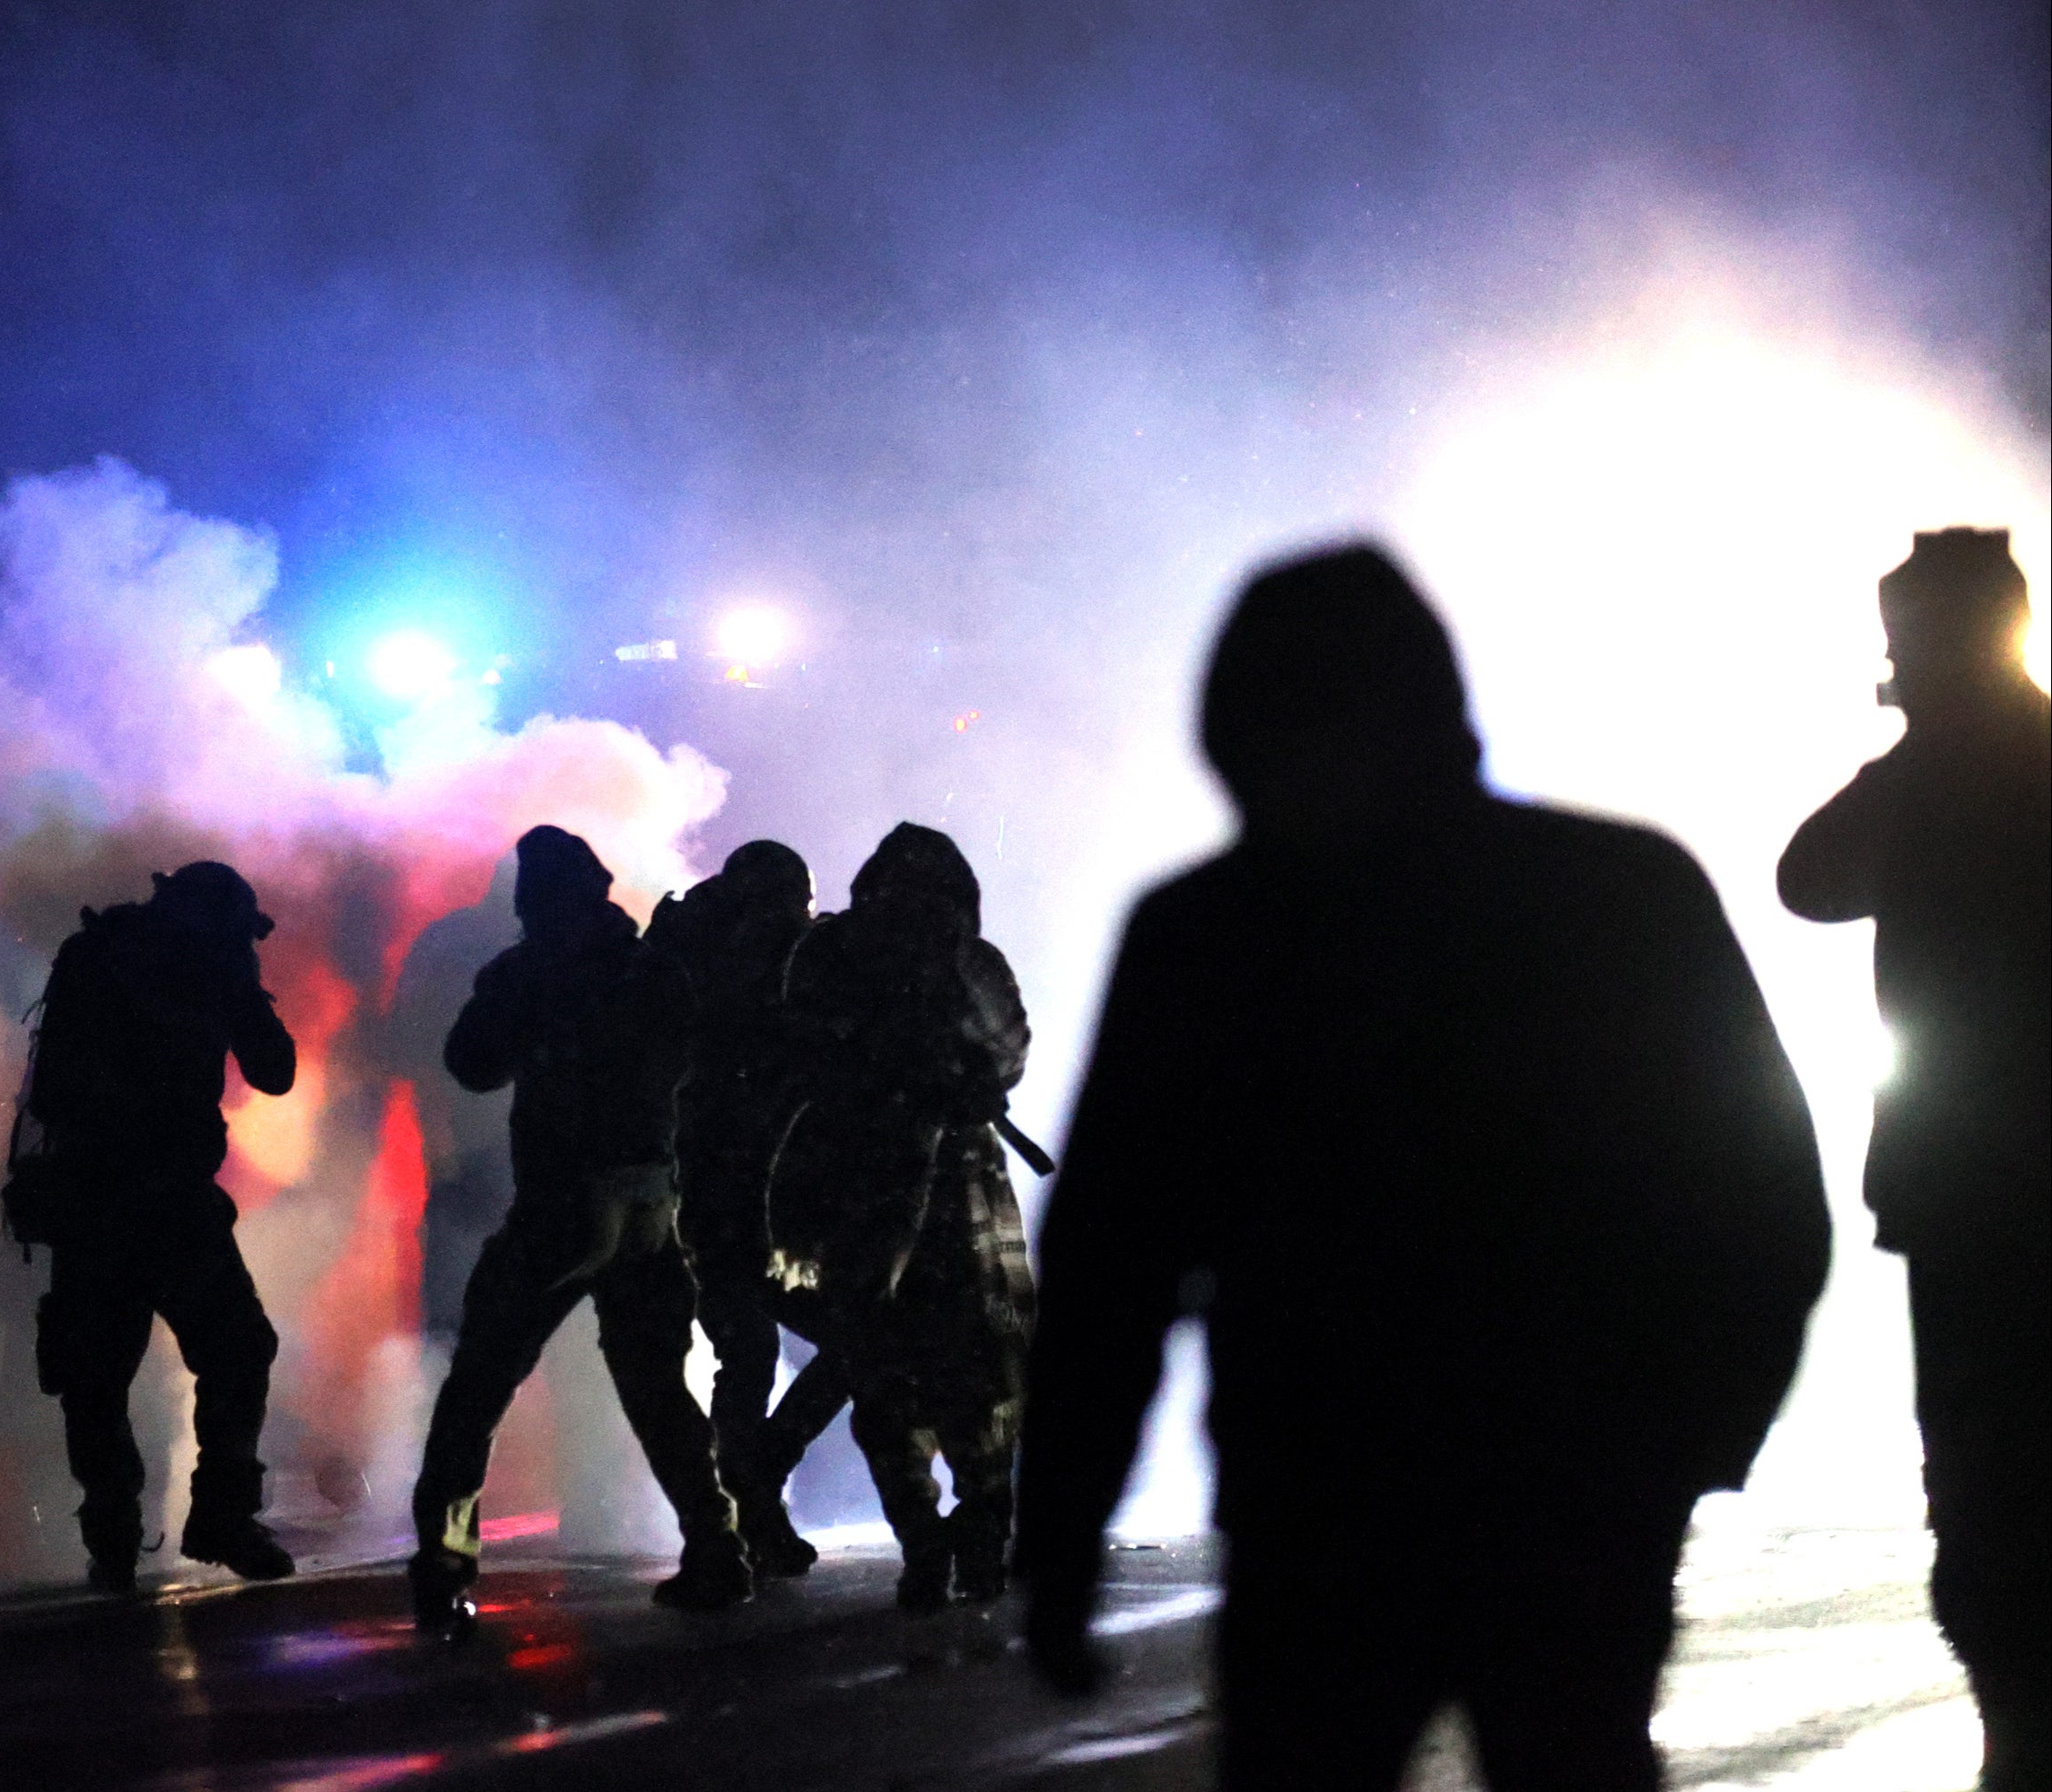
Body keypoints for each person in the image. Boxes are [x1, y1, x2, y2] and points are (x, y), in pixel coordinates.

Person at [1017, 546, 1830, 1788]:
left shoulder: (1205, 936)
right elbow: (1760, 1200)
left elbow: (1108, 1271)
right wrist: (1688, 1443)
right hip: (1571, 1491)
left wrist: (1061, 1536)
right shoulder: (1620, 891)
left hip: (1318, 1504)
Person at [1777, 528, 2048, 1790]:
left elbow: (1806, 878)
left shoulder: (1937, 777)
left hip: (1970, 1194)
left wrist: (1918, 750)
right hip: (1973, 1187)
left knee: (1984, 1479)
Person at [407, 826, 751, 1636]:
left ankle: (444, 1571)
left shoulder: (532, 972)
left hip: (563, 1207)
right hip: (649, 1206)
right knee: (660, 1390)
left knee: (478, 1386)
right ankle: (718, 1549)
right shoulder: (657, 970)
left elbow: (472, 1064)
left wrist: (510, 995)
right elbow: (702, 1067)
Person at [768, 823, 1036, 1612]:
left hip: (862, 1182)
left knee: (885, 1375)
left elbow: (802, 1051)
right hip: (956, 1192)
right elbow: (1011, 1052)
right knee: (978, 1377)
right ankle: (977, 1538)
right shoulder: (965, 961)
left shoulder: (830, 955)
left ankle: (928, 1545)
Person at [22, 860, 299, 1592]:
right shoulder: (208, 964)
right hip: (159, 1202)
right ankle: (218, 1517)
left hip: (99, 1202)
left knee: (97, 1379)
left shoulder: (100, 953)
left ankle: (116, 1537)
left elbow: (47, 1092)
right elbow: (275, 1067)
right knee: (230, 1350)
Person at [644, 840, 823, 1577]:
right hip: (739, 1191)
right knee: (774, 1348)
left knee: (752, 1351)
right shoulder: (763, 960)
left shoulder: (687, 952)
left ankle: (753, 1488)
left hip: (728, 1190)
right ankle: (753, 1499)